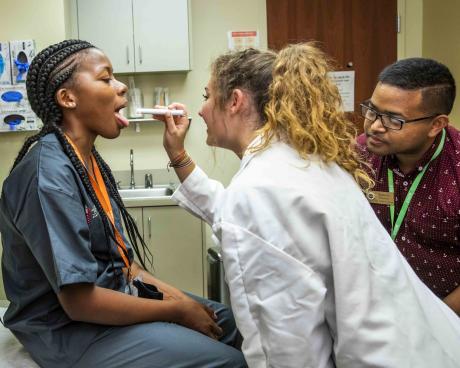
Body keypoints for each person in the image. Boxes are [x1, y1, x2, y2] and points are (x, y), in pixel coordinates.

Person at [156, 43, 460, 368]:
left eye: (206, 95)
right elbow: (248, 220)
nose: (200, 110)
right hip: (425, 341)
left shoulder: (263, 185)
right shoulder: (302, 162)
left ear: (235, 101)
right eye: (373, 110)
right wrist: (179, 156)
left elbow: (286, 353)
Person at [0, 39, 247, 368]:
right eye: (106, 78)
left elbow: (127, 267)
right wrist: (177, 310)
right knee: (230, 361)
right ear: (67, 98)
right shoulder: (49, 176)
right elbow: (79, 302)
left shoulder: (87, 165)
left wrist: (184, 301)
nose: (121, 88)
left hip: (108, 303)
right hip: (66, 329)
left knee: (230, 324)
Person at [357, 58, 460, 315]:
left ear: (436, 125)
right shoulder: (360, 154)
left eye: (394, 120)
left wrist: (436, 322)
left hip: (444, 317)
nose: (375, 127)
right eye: (372, 110)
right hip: (374, 308)